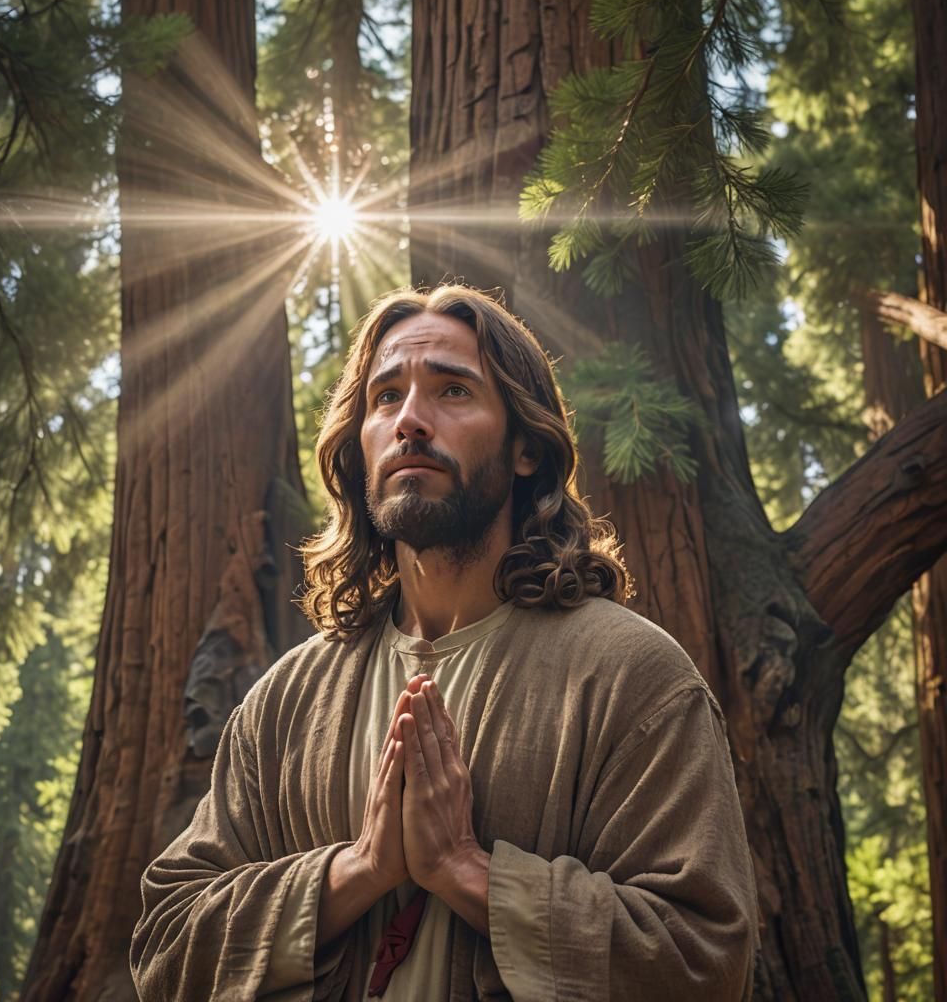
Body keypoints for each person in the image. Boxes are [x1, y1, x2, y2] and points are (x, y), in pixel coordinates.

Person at [130, 284, 759, 1001]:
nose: (410, 421)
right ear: (358, 444)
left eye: (453, 391)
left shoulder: (630, 678)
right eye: (385, 396)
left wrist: (467, 871)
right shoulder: (286, 701)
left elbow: (703, 959)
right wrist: (359, 872)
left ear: (525, 447)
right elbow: (167, 942)